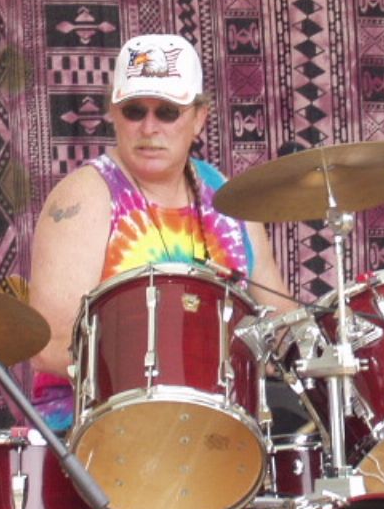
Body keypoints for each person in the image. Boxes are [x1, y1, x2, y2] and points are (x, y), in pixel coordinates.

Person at [29, 33, 295, 432]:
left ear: (199, 118)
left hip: (219, 426)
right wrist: (178, 373)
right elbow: (49, 347)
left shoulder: (227, 198)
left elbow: (283, 327)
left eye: (168, 112)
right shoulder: (86, 197)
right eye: (134, 111)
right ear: (113, 113)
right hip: (99, 427)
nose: (149, 127)